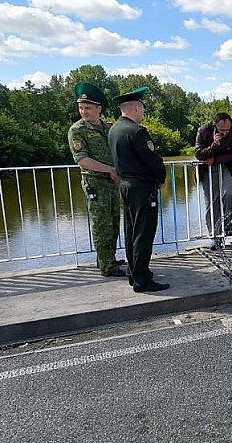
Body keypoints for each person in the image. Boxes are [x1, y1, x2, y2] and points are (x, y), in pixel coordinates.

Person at [108, 87, 170, 293]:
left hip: (126, 186)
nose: (143, 112)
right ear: (135, 107)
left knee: (131, 230)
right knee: (144, 233)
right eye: (142, 108)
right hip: (142, 188)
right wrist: (161, 178)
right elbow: (152, 160)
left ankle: (134, 271)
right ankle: (142, 280)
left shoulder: (115, 129)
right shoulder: (136, 132)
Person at [67, 82, 125, 278]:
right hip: (95, 182)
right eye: (81, 107)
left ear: (99, 108)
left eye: (88, 108)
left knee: (114, 221)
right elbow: (82, 161)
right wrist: (109, 169)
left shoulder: (108, 127)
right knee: (101, 224)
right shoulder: (77, 130)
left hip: (112, 182)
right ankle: (107, 266)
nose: (84, 111)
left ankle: (109, 258)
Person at [194, 112, 232, 243]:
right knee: (213, 202)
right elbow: (199, 154)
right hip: (207, 170)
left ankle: (227, 224)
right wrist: (214, 146)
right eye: (222, 130)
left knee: (229, 194)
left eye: (227, 129)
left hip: (225, 167)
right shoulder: (203, 131)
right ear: (215, 125)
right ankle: (216, 236)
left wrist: (215, 159)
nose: (225, 132)